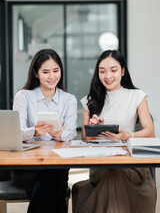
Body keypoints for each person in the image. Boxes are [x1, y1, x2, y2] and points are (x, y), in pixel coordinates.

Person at [72, 50, 157, 213]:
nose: (107, 76)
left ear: (123, 71)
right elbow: (85, 137)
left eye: (113, 70)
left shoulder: (137, 96)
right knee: (111, 173)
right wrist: (92, 128)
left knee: (114, 176)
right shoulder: (89, 101)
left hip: (130, 165)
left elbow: (150, 132)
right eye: (102, 71)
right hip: (100, 166)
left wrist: (127, 135)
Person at [11, 49, 77, 213]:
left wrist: (58, 134)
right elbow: (15, 134)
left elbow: (71, 133)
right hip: (26, 166)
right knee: (53, 184)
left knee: (51, 176)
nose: (52, 76)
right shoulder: (23, 97)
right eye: (45, 72)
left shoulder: (69, 99)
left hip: (57, 164)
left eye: (56, 71)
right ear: (36, 73)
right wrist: (35, 132)